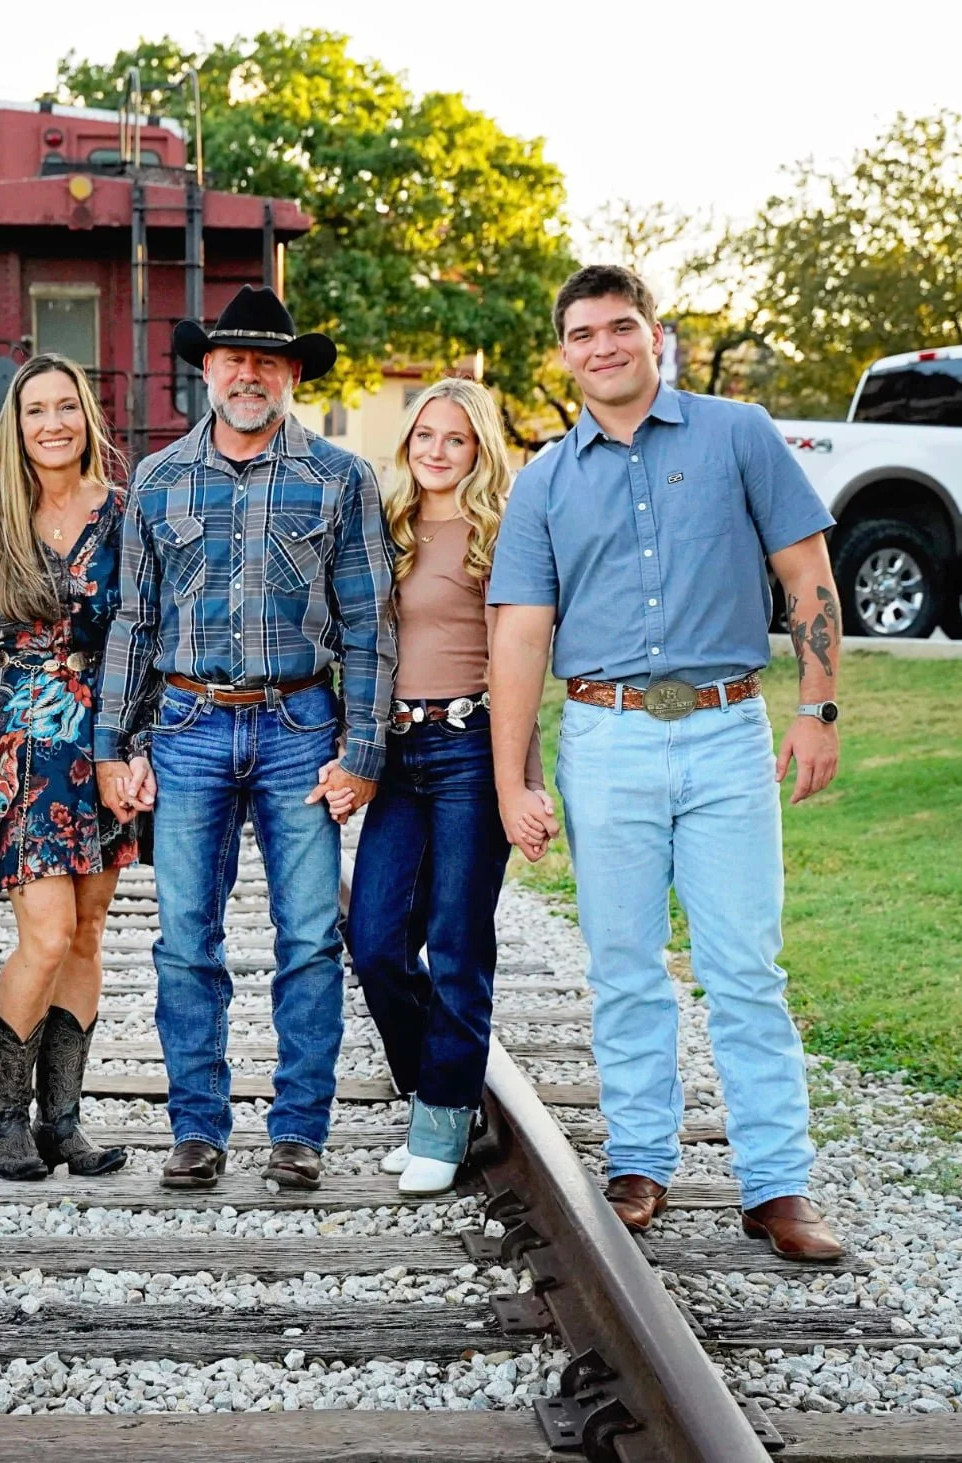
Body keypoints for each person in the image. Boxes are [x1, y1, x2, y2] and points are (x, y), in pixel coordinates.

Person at [488, 264, 846, 1261]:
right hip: (605, 740)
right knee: (623, 963)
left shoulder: (739, 434)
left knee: (743, 965)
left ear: (656, 336)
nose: (601, 346)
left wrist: (816, 709)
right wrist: (510, 775)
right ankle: (640, 1158)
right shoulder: (544, 480)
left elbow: (804, 573)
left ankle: (777, 1183)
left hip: (728, 730)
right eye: (581, 334)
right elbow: (518, 634)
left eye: (618, 328)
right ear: (561, 355)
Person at [94, 285, 396, 1193]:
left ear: (293, 372)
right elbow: (134, 624)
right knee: (186, 937)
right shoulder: (156, 480)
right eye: (233, 358)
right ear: (207, 371)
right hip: (185, 728)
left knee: (308, 937)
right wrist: (115, 744)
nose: (249, 373)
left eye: (268, 359)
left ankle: (299, 1130)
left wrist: (364, 751)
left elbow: (369, 623)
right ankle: (198, 1129)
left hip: (301, 727)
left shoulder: (341, 479)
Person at [341, 377, 557, 1197]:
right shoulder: (386, 528)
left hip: (471, 746)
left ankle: (442, 1111)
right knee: (375, 940)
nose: (436, 450)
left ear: (480, 450)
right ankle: (441, 1088)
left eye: (455, 439)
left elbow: (518, 666)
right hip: (398, 753)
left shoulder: (501, 535)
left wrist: (522, 782)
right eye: (425, 434)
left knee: (459, 943)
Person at [0, 354, 137, 1181]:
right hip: (17, 745)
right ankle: (3, 1116)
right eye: (36, 411)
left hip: (102, 743)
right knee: (48, 930)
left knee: (89, 933)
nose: (53, 423)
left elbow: (146, 639)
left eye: (67, 407)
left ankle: (63, 1121)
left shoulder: (126, 516)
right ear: (14, 425)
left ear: (87, 418)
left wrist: (136, 747)